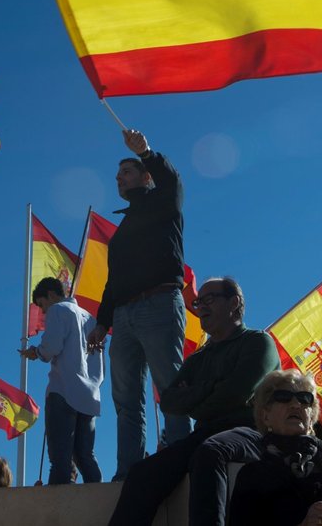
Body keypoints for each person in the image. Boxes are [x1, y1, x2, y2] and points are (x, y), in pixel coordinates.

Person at [108, 277, 279, 525]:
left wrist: (196, 399)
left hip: (251, 432)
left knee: (209, 454)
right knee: (142, 473)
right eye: (199, 303)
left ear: (234, 302)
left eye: (209, 300)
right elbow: (168, 401)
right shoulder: (198, 359)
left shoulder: (257, 342)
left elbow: (236, 393)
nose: (201, 308)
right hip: (204, 434)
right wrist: (213, 388)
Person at [86, 129, 191, 480]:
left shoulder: (164, 202)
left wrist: (146, 152)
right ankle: (129, 471)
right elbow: (113, 281)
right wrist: (103, 321)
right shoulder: (122, 231)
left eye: (126, 173)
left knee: (169, 387)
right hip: (124, 317)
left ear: (146, 176)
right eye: (117, 177)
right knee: (126, 400)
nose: (119, 179)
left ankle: (179, 457)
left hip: (160, 303)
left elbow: (172, 179)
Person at [227, 369, 322, 526]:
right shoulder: (252, 474)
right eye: (283, 397)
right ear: (265, 416)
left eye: (304, 399)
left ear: (311, 417)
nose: (296, 405)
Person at [21, 277, 103, 484]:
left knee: (60, 460)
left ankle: (56, 512)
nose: (44, 311)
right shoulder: (91, 319)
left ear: (51, 295)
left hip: (63, 391)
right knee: (86, 457)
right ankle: (101, 499)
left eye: (42, 305)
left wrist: (36, 352)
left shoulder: (58, 310)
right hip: (89, 395)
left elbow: (51, 348)